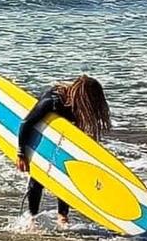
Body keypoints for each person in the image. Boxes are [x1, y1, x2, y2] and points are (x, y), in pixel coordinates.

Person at [15, 75, 112, 226]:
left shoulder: (78, 106)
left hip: (62, 138)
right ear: (82, 96)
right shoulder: (53, 101)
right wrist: (21, 154)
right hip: (40, 135)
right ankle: (32, 218)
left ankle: (63, 217)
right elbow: (27, 123)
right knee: (38, 178)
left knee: (65, 175)